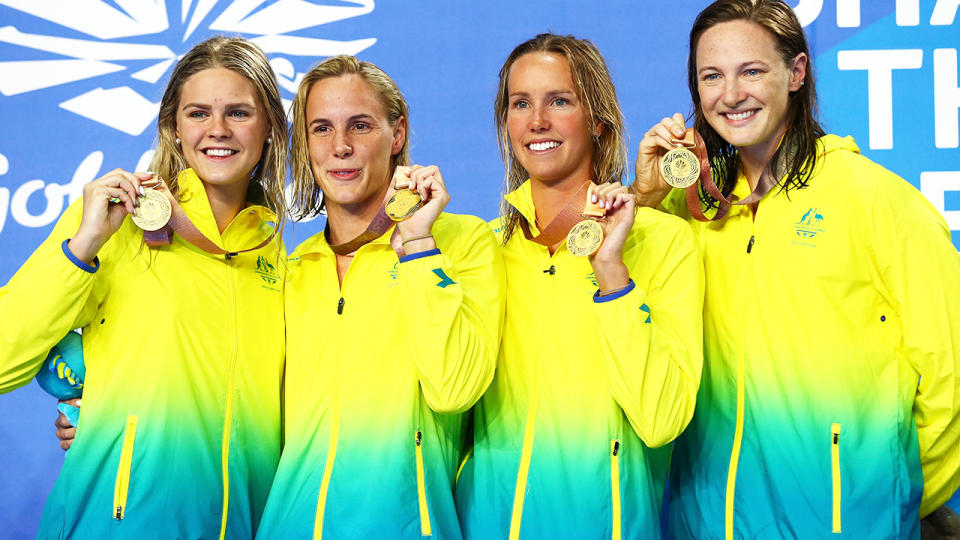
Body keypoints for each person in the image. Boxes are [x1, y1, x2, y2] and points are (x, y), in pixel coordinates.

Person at [633, 1, 960, 537]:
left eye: (752, 70)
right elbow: (626, 326)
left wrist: (890, 494)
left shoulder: (877, 201)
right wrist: (646, 199)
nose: (731, 94)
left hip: (845, 522)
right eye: (711, 76)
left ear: (797, 72)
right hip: (711, 522)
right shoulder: (692, 211)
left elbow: (952, 373)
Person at [0, 36, 288, 538]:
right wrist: (83, 245)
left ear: (268, 129)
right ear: (173, 128)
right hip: (116, 526)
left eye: (239, 112)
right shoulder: (117, 223)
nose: (217, 130)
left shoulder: (277, 257)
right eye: (198, 113)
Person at [456, 33, 704, 539]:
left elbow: (662, 419)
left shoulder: (663, 240)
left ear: (597, 120)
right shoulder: (484, 247)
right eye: (520, 103)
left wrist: (611, 274)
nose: (537, 121)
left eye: (559, 101)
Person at [254, 55, 505, 539]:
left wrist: (417, 245)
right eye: (321, 129)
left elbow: (455, 390)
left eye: (360, 125)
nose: (341, 147)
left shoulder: (462, 243)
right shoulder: (293, 270)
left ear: (398, 134)